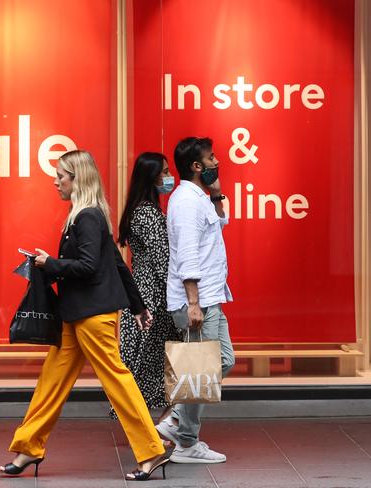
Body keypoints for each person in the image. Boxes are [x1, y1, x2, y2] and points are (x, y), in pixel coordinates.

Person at [0, 150, 169, 481]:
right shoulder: (86, 215)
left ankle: (151, 450)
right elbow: (116, 264)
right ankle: (28, 448)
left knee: (116, 380)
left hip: (92, 316)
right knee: (52, 381)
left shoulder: (87, 217)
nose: (55, 181)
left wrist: (50, 264)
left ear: (77, 179)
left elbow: (90, 266)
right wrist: (137, 306)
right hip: (77, 315)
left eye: (60, 175)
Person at [155, 137, 235, 464]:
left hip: (212, 296)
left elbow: (221, 221)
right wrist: (193, 302)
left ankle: (177, 421)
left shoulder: (198, 197)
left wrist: (216, 192)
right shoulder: (186, 202)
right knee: (204, 367)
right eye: (211, 158)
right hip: (198, 300)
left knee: (220, 361)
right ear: (197, 166)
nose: (217, 161)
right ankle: (185, 439)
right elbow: (187, 253)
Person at [115, 152, 181, 422]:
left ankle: (157, 425)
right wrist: (182, 298)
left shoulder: (139, 210)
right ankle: (161, 427)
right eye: (164, 172)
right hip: (153, 296)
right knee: (155, 363)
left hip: (143, 293)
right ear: (151, 177)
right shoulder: (148, 214)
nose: (169, 177)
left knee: (145, 362)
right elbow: (163, 261)